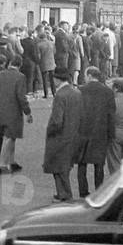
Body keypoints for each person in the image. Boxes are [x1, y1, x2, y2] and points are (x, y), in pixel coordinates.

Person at [73, 66, 117, 196]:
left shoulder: (80, 90)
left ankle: (83, 191)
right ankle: (99, 191)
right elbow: (111, 115)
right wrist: (111, 134)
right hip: (100, 132)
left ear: (90, 76)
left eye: (86, 76)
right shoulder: (108, 92)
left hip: (83, 131)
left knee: (82, 164)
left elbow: (75, 114)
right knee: (99, 164)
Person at [44, 69, 81, 202]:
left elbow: (57, 120)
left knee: (58, 166)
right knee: (65, 165)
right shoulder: (76, 93)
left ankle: (64, 194)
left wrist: (50, 130)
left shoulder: (60, 95)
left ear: (57, 79)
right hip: (73, 133)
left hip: (60, 135)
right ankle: (62, 193)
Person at [0, 55, 32, 174]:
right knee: (9, 137)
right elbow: (21, 96)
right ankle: (3, 164)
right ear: (20, 65)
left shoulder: (0, 75)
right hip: (13, 111)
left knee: (11, 137)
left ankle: (11, 162)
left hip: (0, 110)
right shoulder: (20, 77)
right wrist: (28, 112)